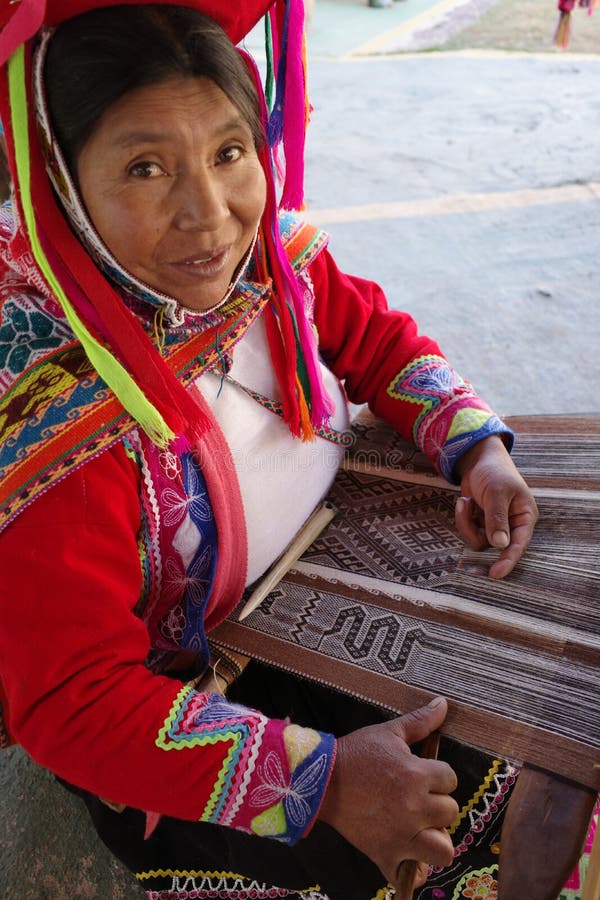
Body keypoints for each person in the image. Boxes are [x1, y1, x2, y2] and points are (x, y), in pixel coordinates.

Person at [0, 2, 540, 898]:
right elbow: (74, 702)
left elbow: (378, 340)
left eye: (228, 151)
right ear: (61, 183)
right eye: (145, 167)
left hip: (329, 586)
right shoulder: (54, 423)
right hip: (192, 699)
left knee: (531, 716)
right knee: (417, 835)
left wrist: (473, 444)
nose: (209, 215)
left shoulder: (272, 265)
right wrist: (323, 782)